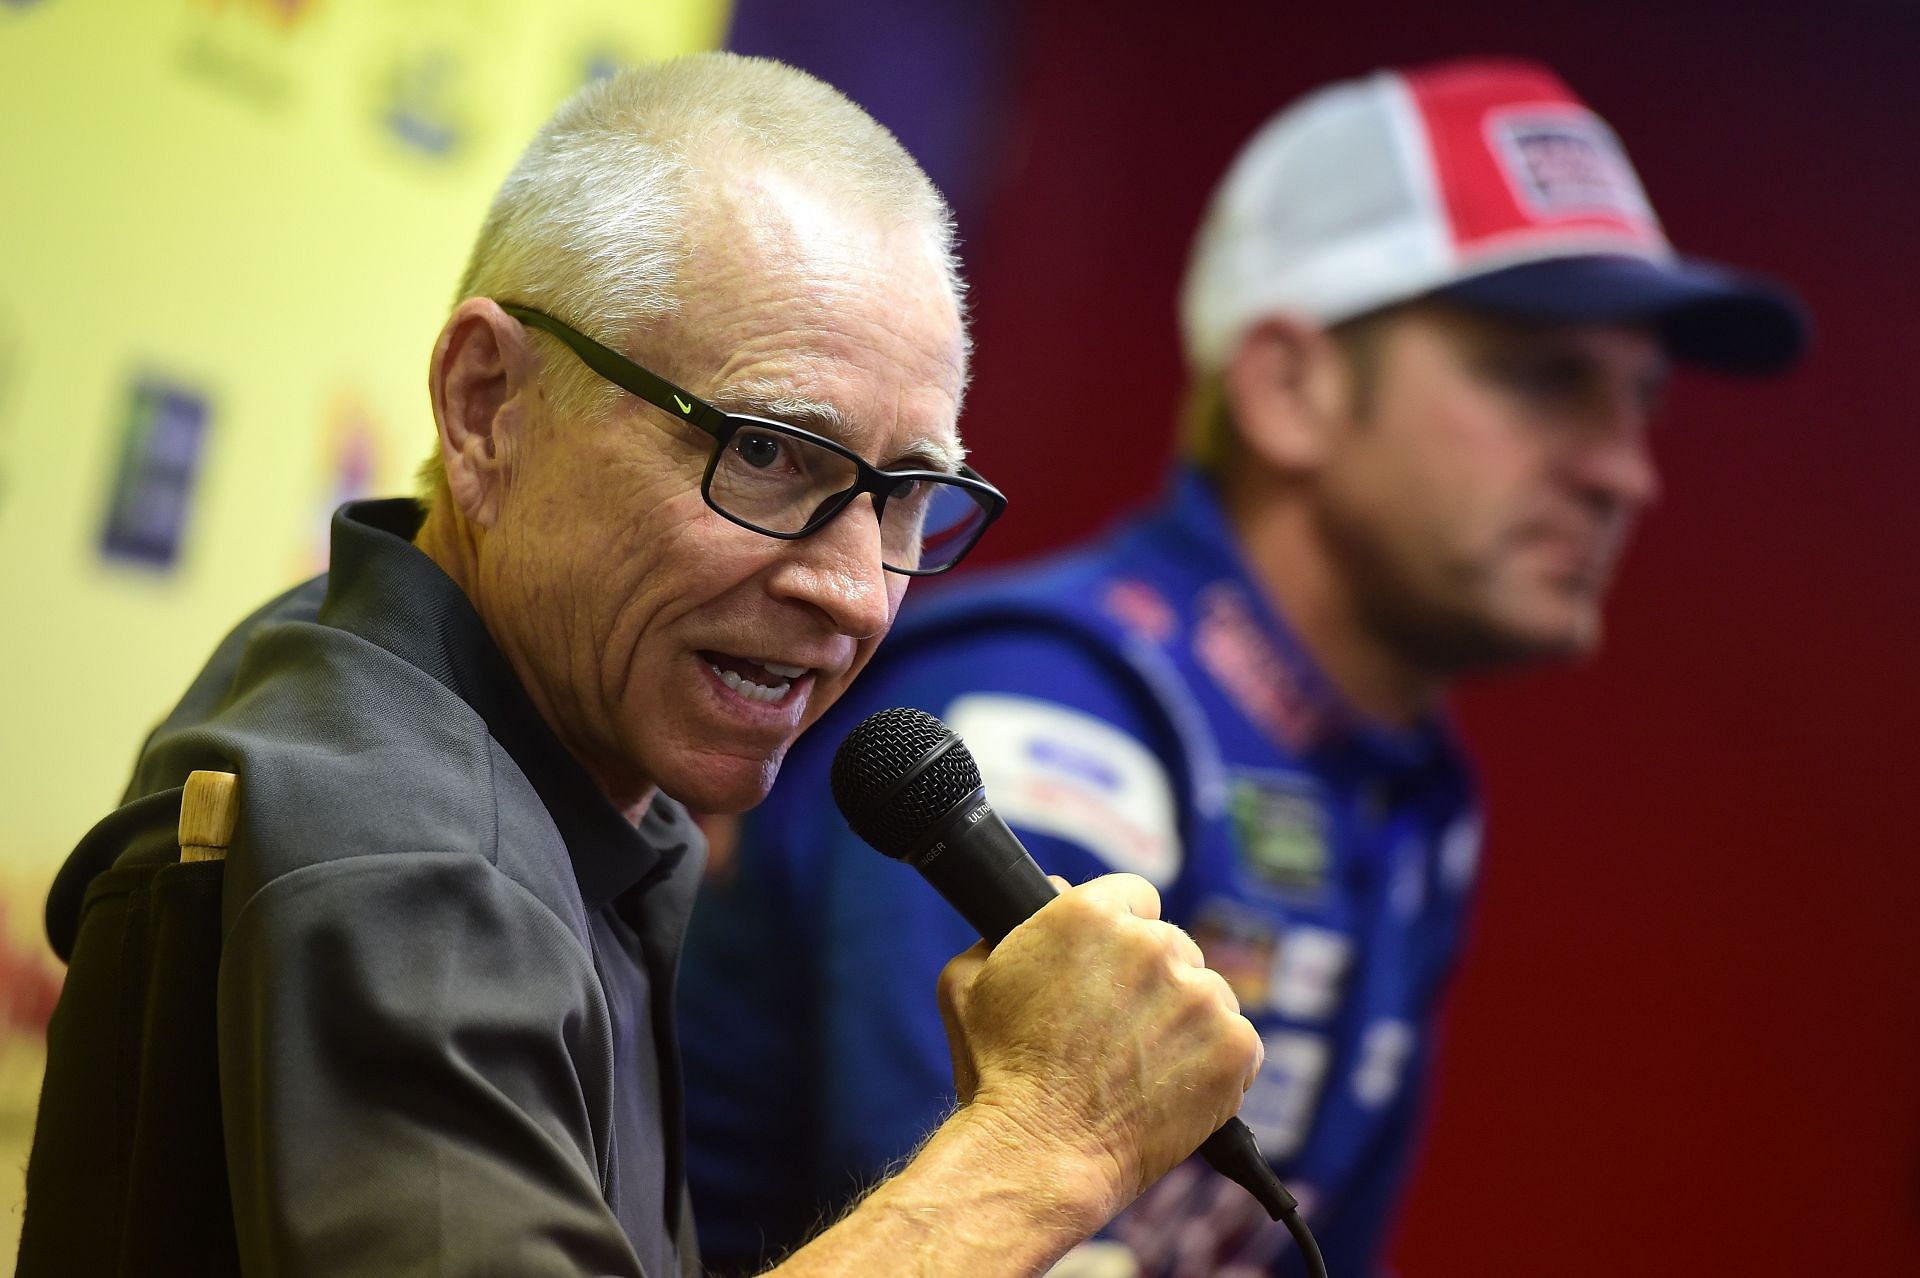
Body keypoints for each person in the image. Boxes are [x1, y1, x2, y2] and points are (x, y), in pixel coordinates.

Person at [19, 54, 1264, 1278]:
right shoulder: (405, 846)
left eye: (906, 497)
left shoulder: (478, 718)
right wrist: (1045, 1141)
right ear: (485, 404)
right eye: (771, 453)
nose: (850, 591)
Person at [677, 57, 1808, 1278]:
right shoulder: (1054, 707)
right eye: (1546, 379)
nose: (1623, 472)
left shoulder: (1410, 792)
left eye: (1641, 402)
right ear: (1287, 388)